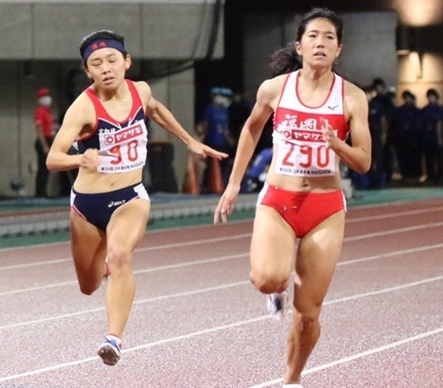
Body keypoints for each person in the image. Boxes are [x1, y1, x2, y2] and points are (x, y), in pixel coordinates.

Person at [46, 30, 227, 366]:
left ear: (126, 62)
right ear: (88, 72)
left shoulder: (140, 90)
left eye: (112, 60)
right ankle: (104, 262)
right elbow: (53, 158)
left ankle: (113, 340)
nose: (106, 68)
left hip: (130, 197)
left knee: (120, 256)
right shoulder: (83, 108)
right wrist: (78, 159)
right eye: (96, 64)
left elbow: (156, 110)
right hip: (87, 207)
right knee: (88, 285)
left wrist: (189, 141)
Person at [213, 8, 370, 388]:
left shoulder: (351, 97)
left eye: (329, 37)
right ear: (299, 46)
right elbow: (251, 131)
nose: (321, 42)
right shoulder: (275, 89)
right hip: (279, 201)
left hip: (325, 208)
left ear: (339, 49)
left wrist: (339, 145)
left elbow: (364, 161)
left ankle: (293, 379)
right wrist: (234, 183)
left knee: (309, 314)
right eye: (313, 36)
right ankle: (276, 290)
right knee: (268, 278)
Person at [34, 87, 55, 197]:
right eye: (44, 96)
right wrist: (45, 146)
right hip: (43, 140)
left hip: (49, 139)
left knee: (47, 169)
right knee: (42, 168)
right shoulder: (40, 111)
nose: (47, 99)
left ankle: (44, 191)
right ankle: (40, 192)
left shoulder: (47, 112)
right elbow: (40, 130)